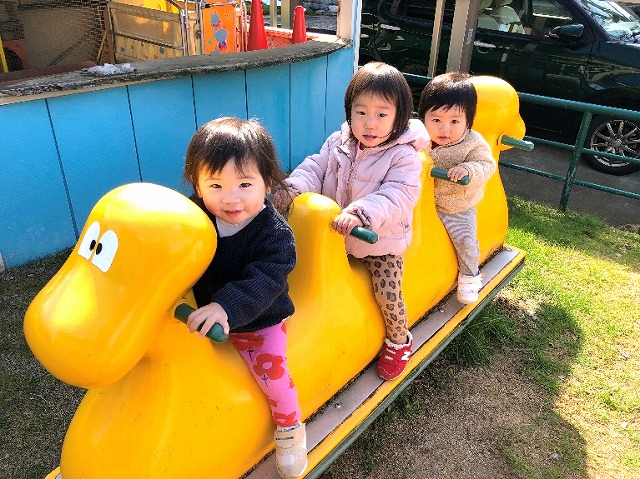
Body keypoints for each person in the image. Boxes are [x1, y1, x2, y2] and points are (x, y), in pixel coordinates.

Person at [272, 62, 429, 381]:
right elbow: (316, 168)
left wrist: (360, 214)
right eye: (361, 112)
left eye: (381, 114)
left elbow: (397, 196)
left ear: (399, 116)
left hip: (378, 242)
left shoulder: (403, 156)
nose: (370, 123)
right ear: (349, 111)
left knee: (387, 290)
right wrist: (292, 189)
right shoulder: (338, 142)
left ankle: (399, 340)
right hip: (334, 234)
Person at [182, 117, 306, 479]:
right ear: (198, 186)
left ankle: (290, 428)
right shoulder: (195, 216)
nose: (231, 197)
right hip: (203, 312)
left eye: (245, 184)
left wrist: (225, 306)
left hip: (258, 320)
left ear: (267, 183)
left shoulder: (275, 235)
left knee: (274, 376)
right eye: (215, 185)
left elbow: (266, 279)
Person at [417, 72, 497, 304]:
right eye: (436, 120)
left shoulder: (472, 142)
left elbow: (486, 165)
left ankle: (470, 277)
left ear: (468, 121)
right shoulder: (418, 137)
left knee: (466, 241)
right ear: (423, 117)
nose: (445, 129)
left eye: (454, 121)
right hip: (418, 200)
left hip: (455, 206)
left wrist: (468, 170)